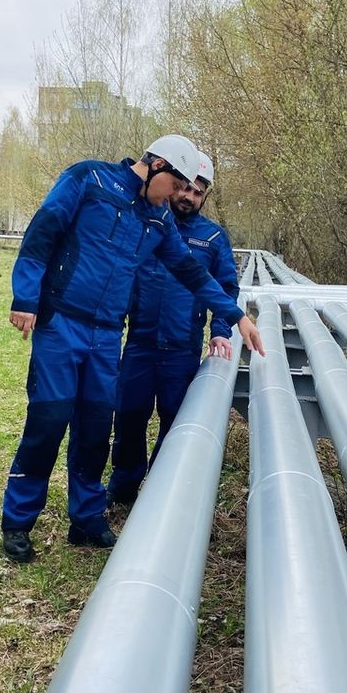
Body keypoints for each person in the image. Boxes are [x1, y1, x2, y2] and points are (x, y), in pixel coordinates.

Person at [1, 135, 265, 563]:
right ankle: (17, 520)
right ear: (157, 165)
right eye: (178, 185)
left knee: (94, 425)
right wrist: (25, 296)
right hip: (62, 320)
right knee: (49, 419)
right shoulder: (90, 180)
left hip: (107, 334)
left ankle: (86, 519)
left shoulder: (157, 222)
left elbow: (192, 274)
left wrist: (235, 317)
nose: (181, 196)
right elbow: (42, 232)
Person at [107, 152, 237, 505]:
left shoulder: (212, 237)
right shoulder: (149, 222)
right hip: (140, 342)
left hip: (182, 348)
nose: (188, 197)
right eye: (185, 189)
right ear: (176, 184)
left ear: (204, 196)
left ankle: (161, 492)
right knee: (129, 416)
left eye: (198, 193)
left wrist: (221, 329)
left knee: (175, 422)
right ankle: (124, 487)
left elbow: (225, 286)